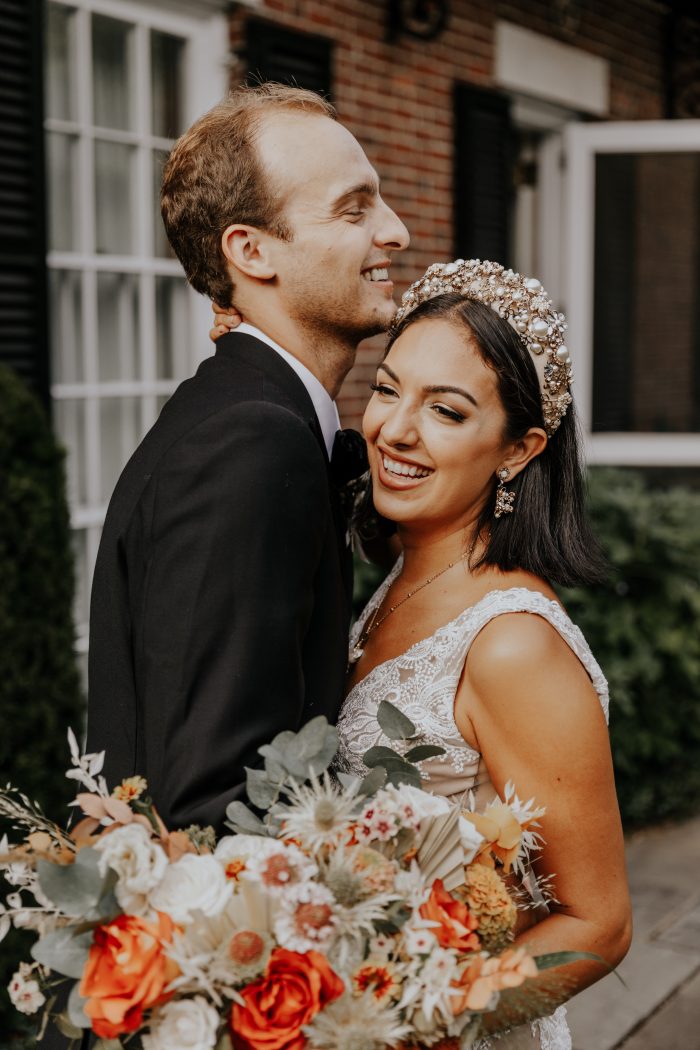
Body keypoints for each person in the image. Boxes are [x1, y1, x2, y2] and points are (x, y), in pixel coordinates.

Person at [85, 83, 409, 833]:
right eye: (354, 208)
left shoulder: (245, 416)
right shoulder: (251, 443)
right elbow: (213, 805)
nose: (392, 230)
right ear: (251, 250)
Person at [330, 259, 632, 1047]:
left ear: (518, 449)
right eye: (389, 389)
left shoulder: (512, 646)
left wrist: (410, 1024)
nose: (394, 428)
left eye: (448, 411)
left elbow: (595, 925)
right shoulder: (399, 577)